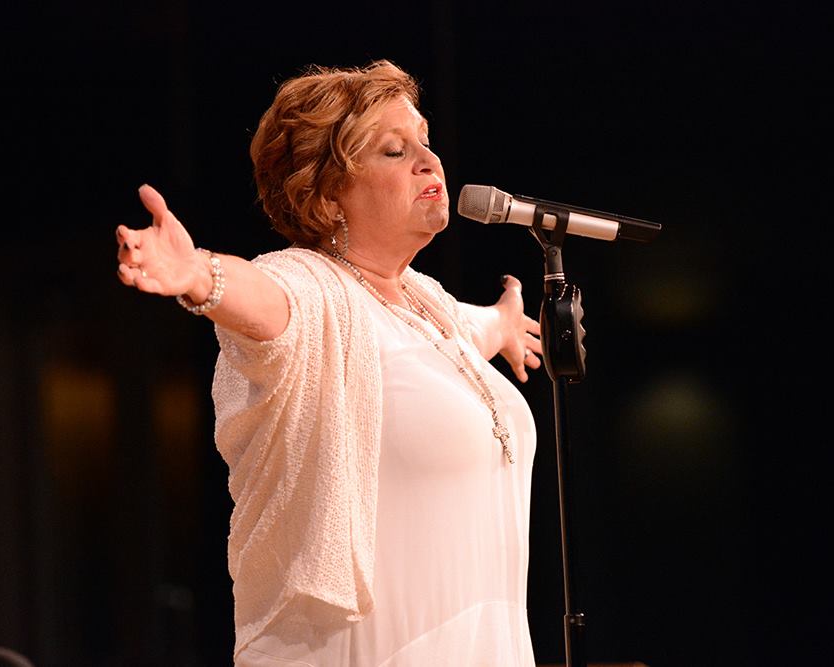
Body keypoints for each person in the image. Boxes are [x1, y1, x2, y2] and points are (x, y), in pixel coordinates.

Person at [115, 60, 542, 666]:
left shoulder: (430, 306)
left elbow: (474, 328)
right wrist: (199, 274)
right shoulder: (311, 288)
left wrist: (505, 323)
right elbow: (267, 304)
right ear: (328, 192)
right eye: (395, 151)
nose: (430, 162)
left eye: (425, 141)